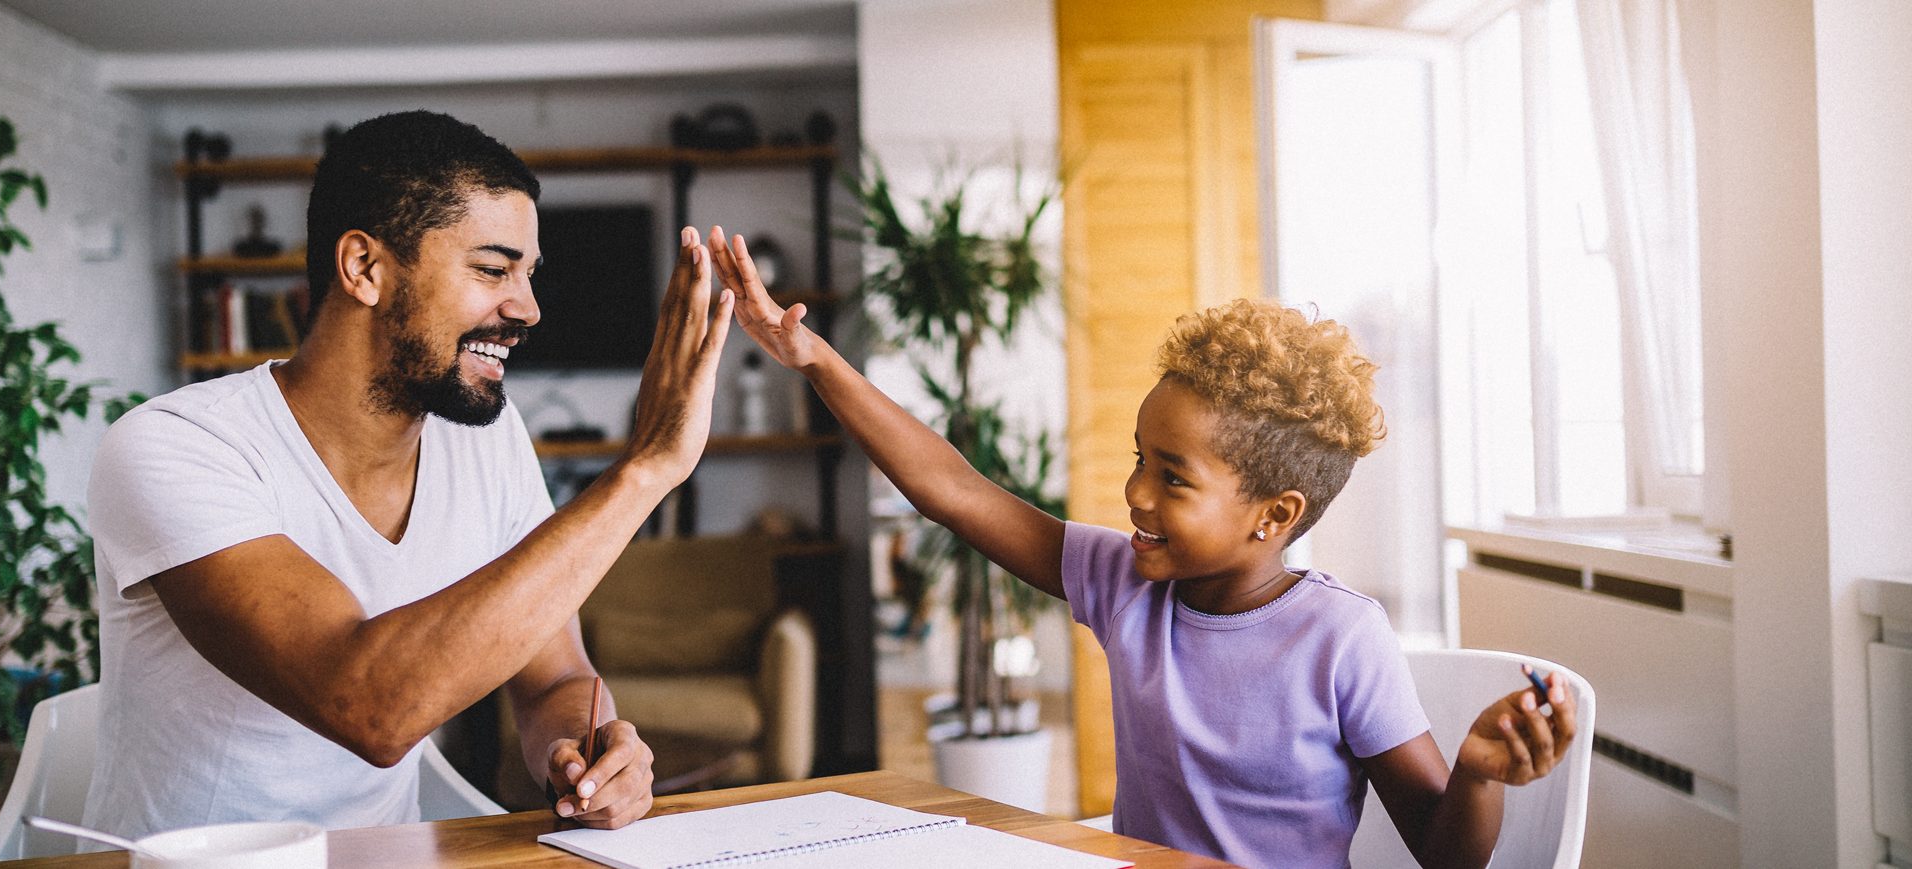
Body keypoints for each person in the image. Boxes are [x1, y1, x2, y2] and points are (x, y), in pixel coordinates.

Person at [706, 227, 1577, 867]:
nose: (1135, 493)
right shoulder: (1123, 580)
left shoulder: (1343, 638)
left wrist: (1475, 776)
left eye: (1173, 476)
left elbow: (1444, 853)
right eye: (1138, 460)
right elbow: (954, 489)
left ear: (1273, 516)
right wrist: (815, 358)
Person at [82, 111, 735, 840]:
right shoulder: (178, 446)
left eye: (527, 274)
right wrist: (644, 471)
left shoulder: (485, 443)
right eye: (493, 269)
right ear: (364, 267)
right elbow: (369, 706)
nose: (527, 309)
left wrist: (588, 752)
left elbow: (555, 678)